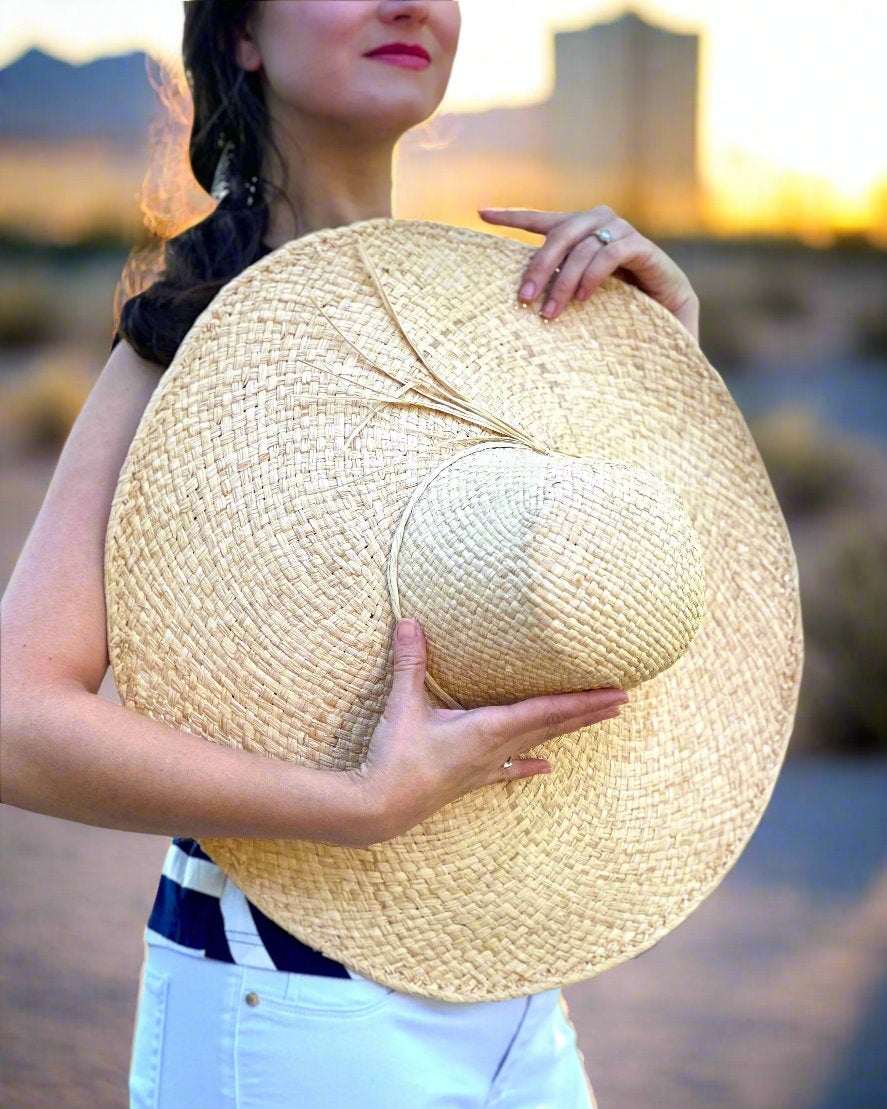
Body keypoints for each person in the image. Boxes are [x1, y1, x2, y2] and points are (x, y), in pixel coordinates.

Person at [3, 1, 719, 1105]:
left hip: (514, 992)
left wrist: (663, 360)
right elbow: (17, 712)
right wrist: (353, 804)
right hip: (287, 1001)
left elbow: (634, 610)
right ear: (240, 35)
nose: (406, 3)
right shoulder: (193, 335)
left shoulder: (499, 308)